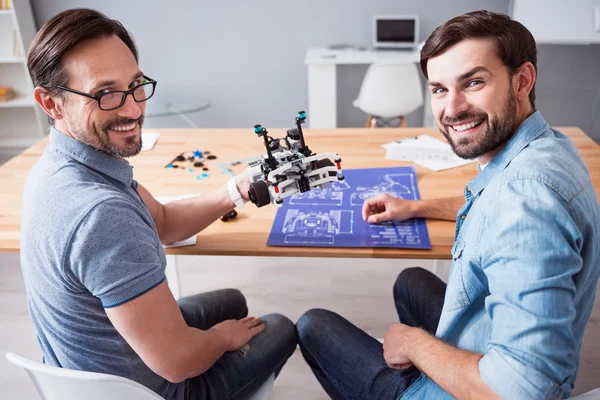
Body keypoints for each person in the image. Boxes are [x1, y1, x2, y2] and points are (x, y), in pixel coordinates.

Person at [297, 10, 600, 399]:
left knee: (312, 325)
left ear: (522, 80)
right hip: (487, 347)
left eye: (473, 82)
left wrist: (413, 345)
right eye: (439, 89)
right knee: (411, 281)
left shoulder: (526, 204)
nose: (452, 109)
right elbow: (496, 198)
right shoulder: (548, 148)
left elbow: (523, 390)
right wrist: (414, 207)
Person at [20, 8, 296, 400]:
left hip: (89, 362)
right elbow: (179, 362)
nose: (133, 109)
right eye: (106, 94)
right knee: (280, 326)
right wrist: (220, 338)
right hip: (148, 389)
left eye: (135, 85)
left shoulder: (58, 167)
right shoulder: (101, 214)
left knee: (232, 301)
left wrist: (234, 190)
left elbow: (164, 222)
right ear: (51, 103)